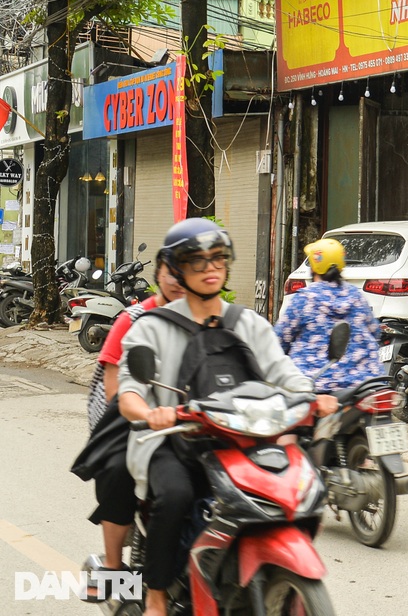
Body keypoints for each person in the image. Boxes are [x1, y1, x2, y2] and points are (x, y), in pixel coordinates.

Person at [117, 218, 335, 616]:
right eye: (196, 262)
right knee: (177, 495)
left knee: (296, 489)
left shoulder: (248, 323)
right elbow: (130, 390)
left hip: (243, 439)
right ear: (178, 269)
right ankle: (156, 597)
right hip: (175, 441)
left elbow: (282, 371)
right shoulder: (152, 327)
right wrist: (152, 413)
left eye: (217, 258)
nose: (209, 268)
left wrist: (313, 395)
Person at [82, 256, 185, 599]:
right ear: (159, 275)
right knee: (117, 471)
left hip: (187, 420)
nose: (180, 281)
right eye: (173, 272)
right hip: (126, 416)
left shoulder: (210, 319)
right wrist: (142, 415)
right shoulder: (134, 319)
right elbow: (115, 390)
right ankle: (114, 568)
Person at [274, 237, 383, 391]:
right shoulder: (356, 295)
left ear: (313, 267)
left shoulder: (304, 299)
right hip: (364, 383)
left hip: (316, 383)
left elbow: (279, 339)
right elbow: (375, 332)